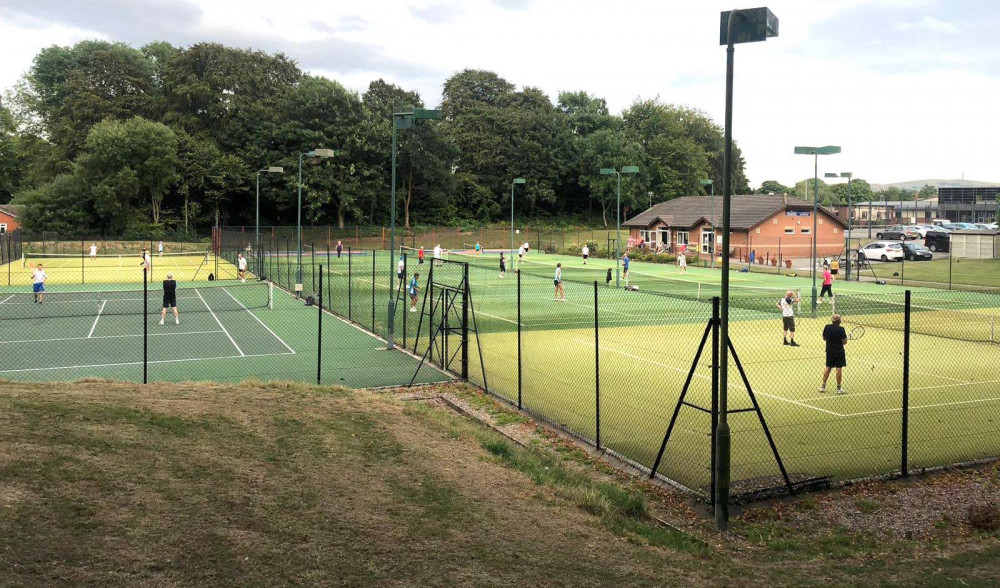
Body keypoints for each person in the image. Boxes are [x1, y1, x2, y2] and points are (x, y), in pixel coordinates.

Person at [820, 314, 848, 394]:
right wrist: (843, 339)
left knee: (828, 368)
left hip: (829, 351)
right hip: (839, 352)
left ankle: (823, 386)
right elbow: (844, 342)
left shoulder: (827, 327)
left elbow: (824, 338)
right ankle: (839, 388)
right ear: (839, 321)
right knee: (839, 369)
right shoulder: (841, 329)